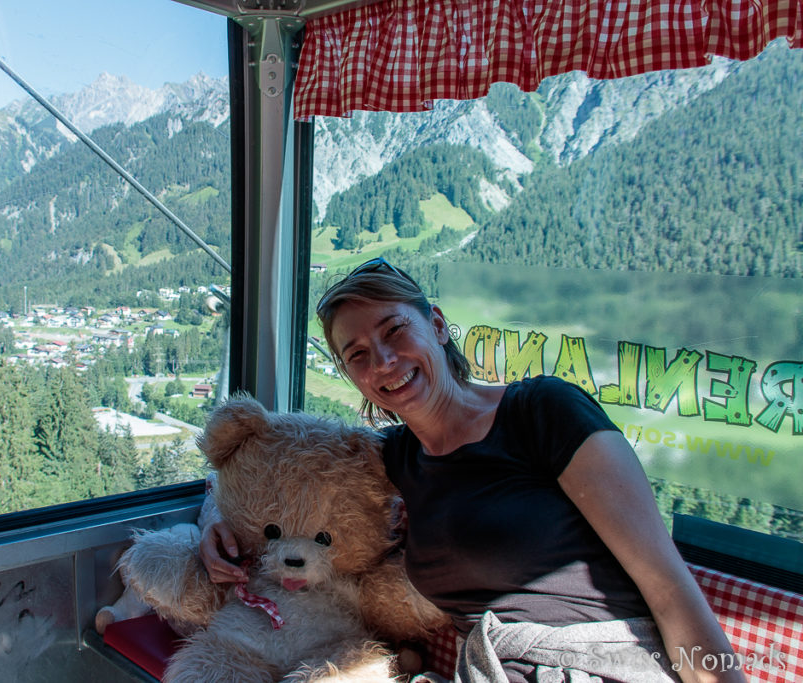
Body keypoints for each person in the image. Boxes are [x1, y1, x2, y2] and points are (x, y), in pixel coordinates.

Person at [200, 258, 745, 683]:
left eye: (394, 331)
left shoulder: (541, 412)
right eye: (358, 354)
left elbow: (670, 589)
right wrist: (216, 528)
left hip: (595, 664)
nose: (383, 361)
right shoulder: (390, 458)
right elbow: (272, 468)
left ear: (436, 325)